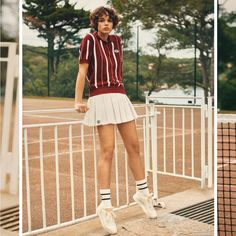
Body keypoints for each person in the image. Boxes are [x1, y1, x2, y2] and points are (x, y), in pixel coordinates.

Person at [74, 6, 157, 235]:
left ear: (113, 23)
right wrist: (78, 100)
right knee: (107, 151)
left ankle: (142, 193)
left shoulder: (117, 42)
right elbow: (82, 72)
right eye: (101, 21)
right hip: (100, 98)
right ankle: (105, 205)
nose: (106, 24)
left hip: (120, 96)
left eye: (109, 20)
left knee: (134, 146)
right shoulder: (89, 40)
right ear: (96, 23)